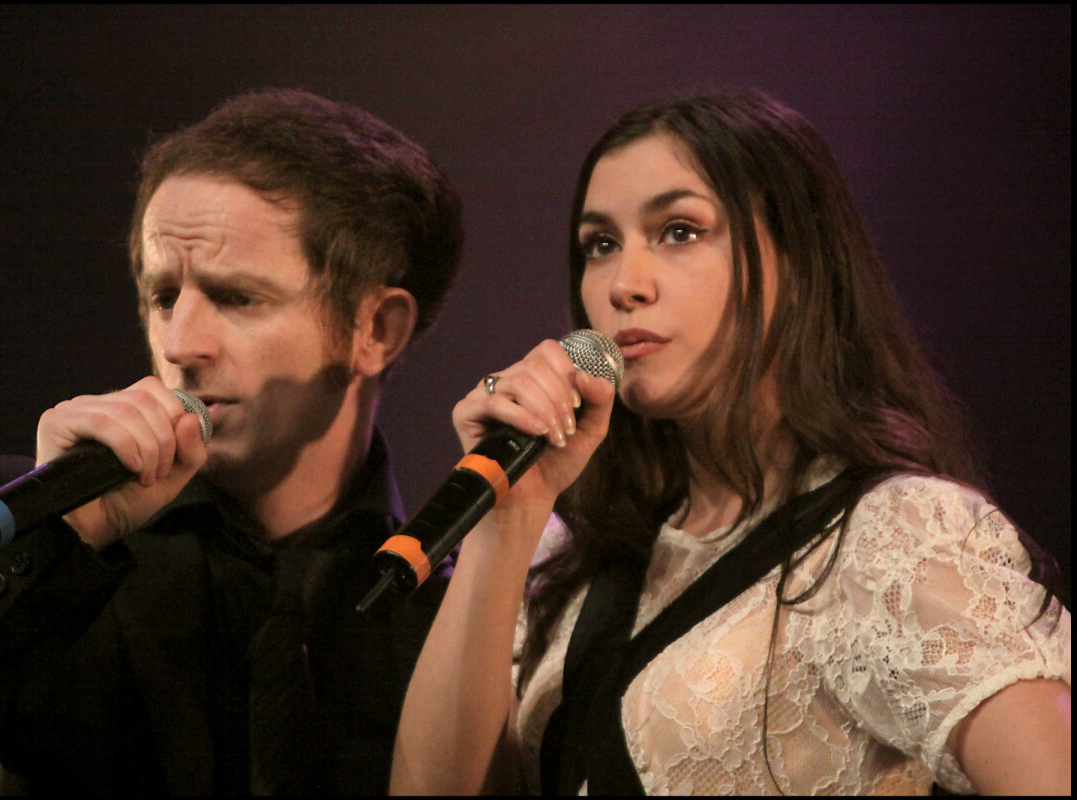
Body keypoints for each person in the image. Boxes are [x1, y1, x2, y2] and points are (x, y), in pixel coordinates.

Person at [390, 90, 1070, 795]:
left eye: (680, 231)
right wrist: (509, 519)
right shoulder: (567, 556)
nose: (625, 284)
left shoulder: (891, 536)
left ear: (799, 257)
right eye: (600, 245)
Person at [0, 88, 464, 795]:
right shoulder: (25, 519)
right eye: (164, 297)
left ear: (375, 330)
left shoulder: (449, 611)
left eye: (235, 298)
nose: (181, 345)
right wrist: (54, 540)